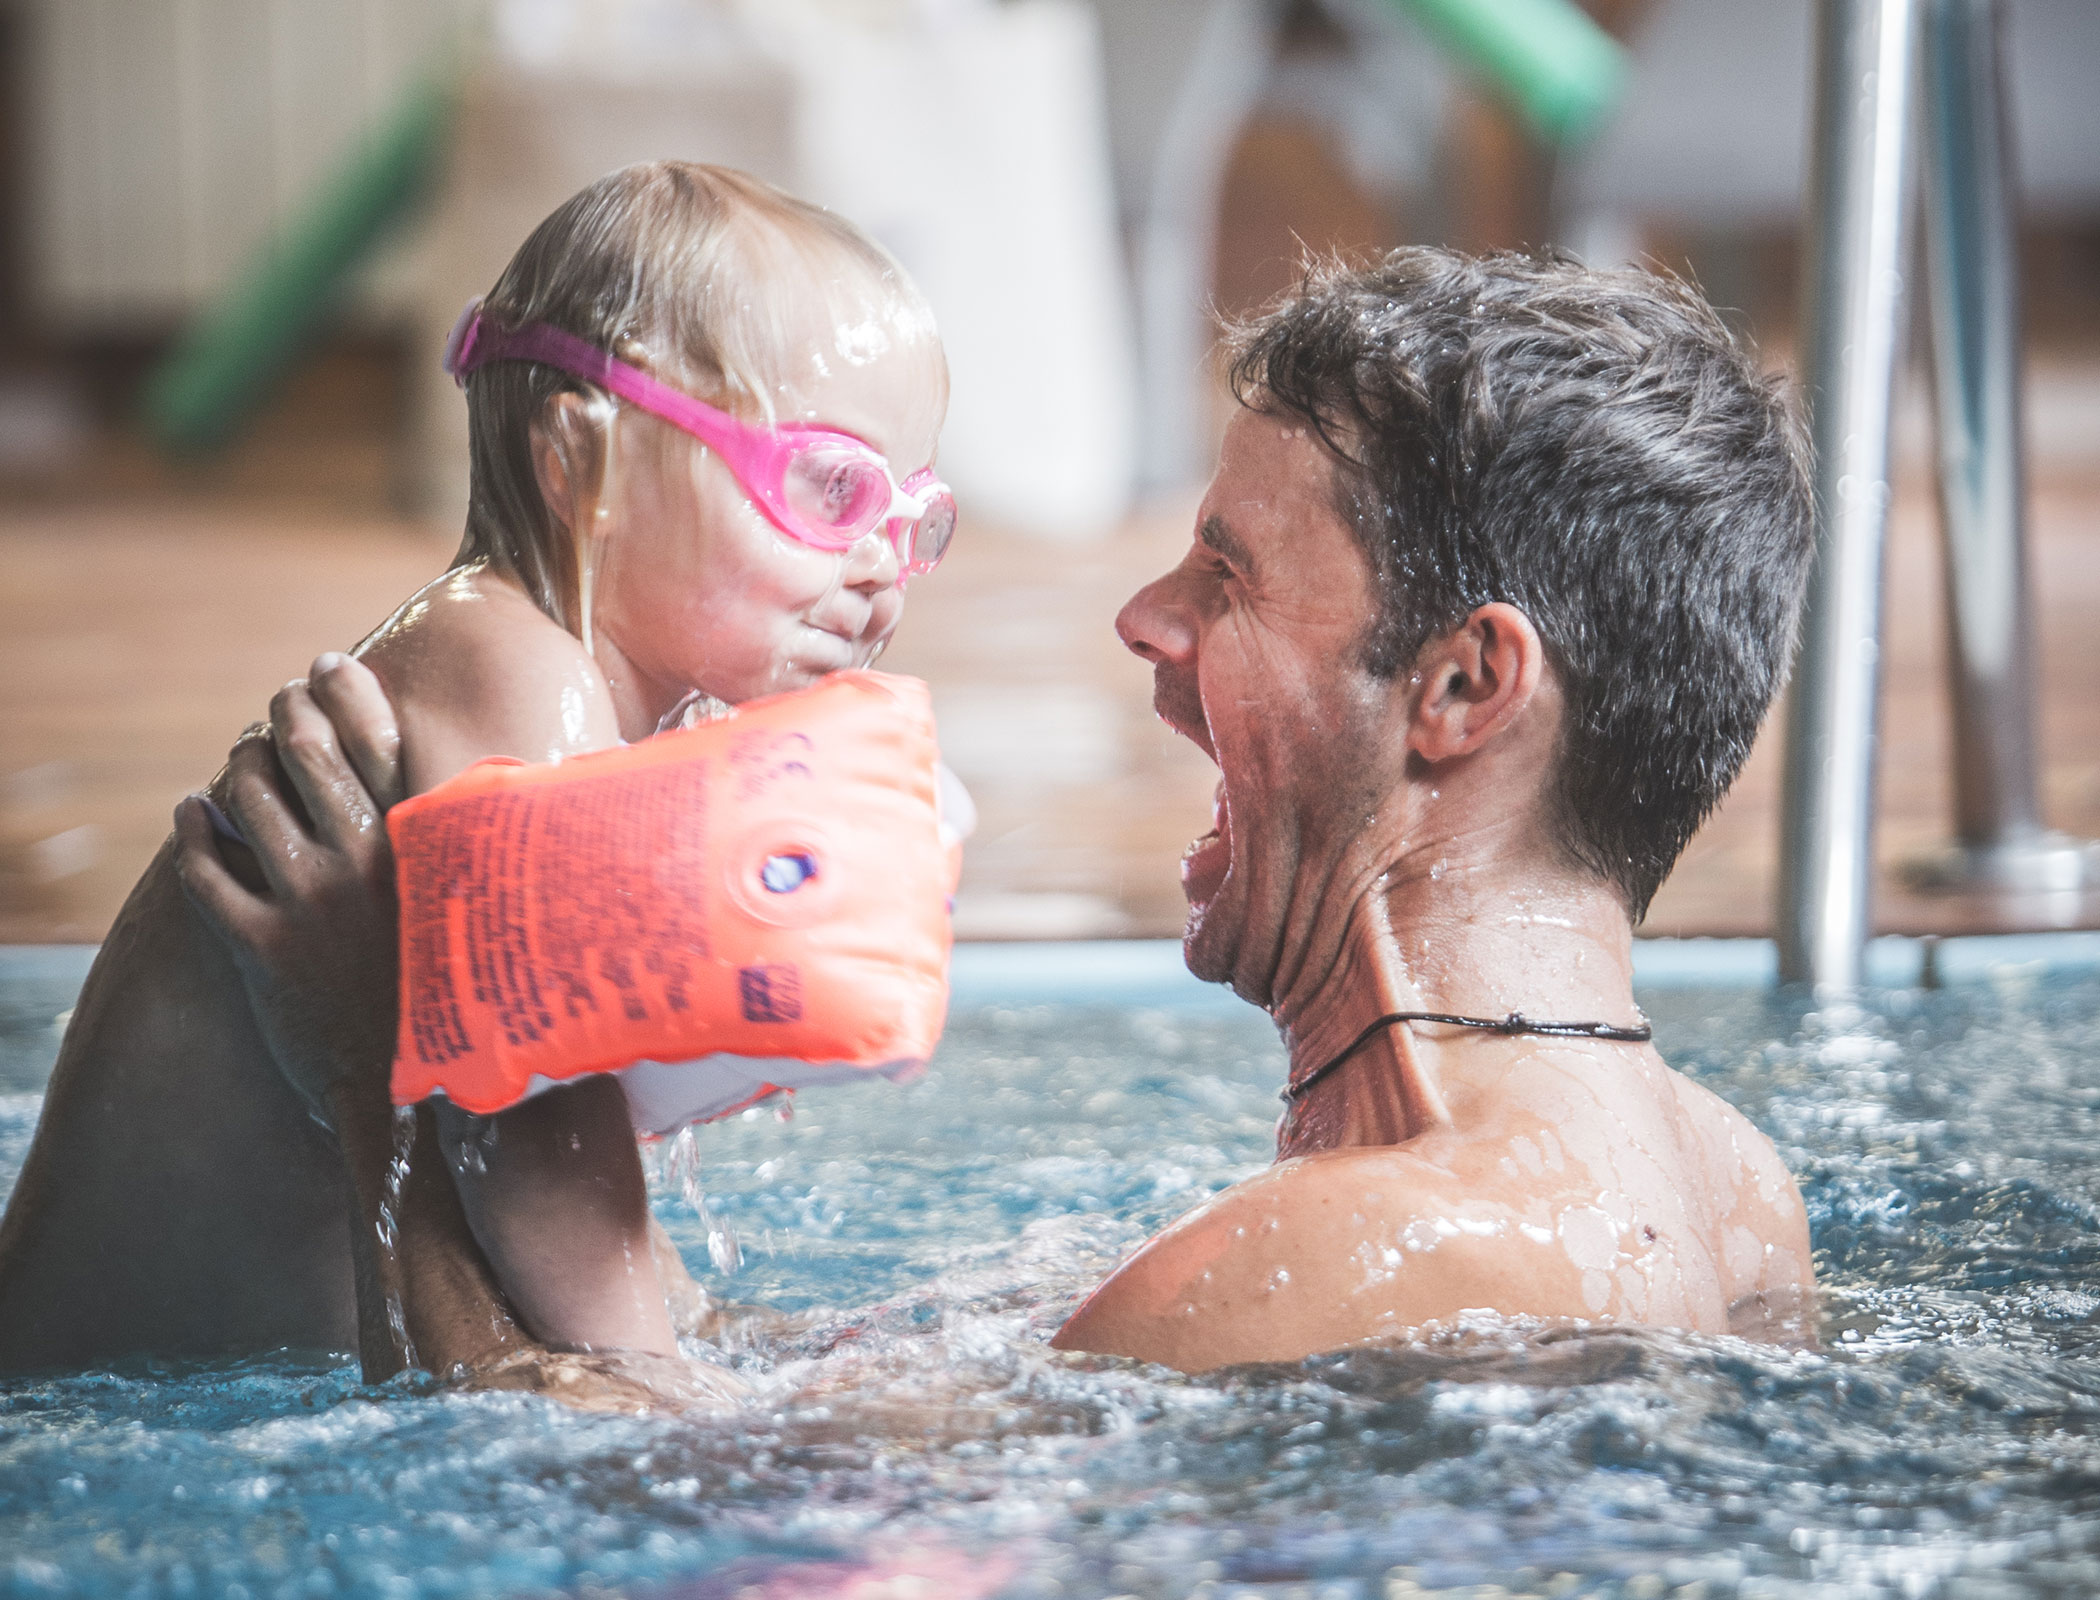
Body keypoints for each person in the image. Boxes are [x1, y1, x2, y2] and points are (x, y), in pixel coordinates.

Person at [190, 248, 1817, 1389]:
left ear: (1464, 690)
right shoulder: (1743, 1199)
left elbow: (624, 1533)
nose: (1141, 619)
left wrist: (377, 1069)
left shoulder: (1336, 1267)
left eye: (1227, 577)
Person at [0, 161, 952, 1379]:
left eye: (915, 514)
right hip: (93, 1413)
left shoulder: (543, 677)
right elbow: (538, 1152)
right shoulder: (519, 679)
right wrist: (671, 1391)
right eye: (831, 487)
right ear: (580, 466)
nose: (883, 560)